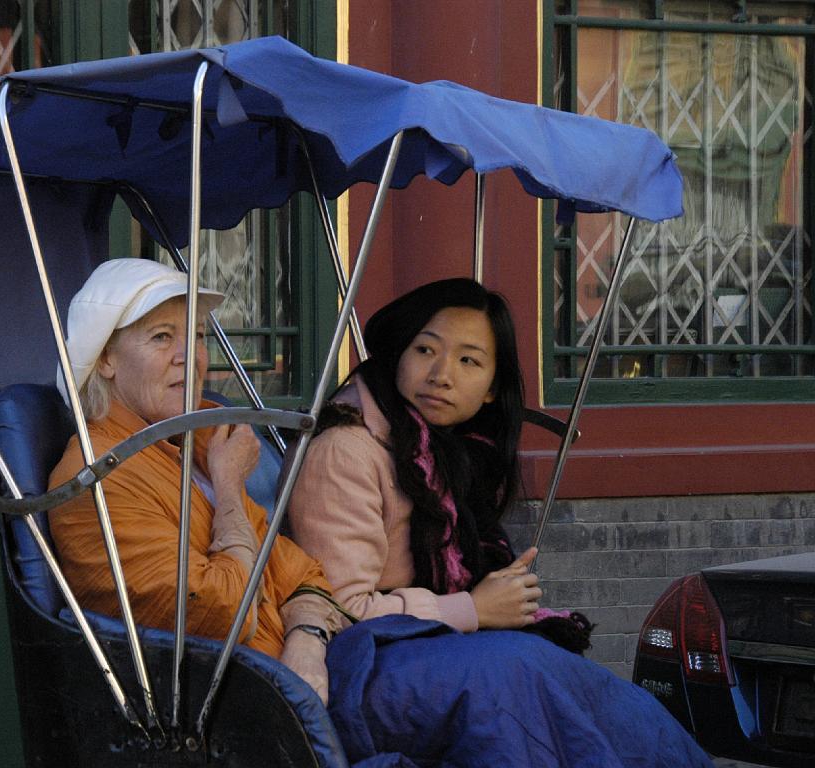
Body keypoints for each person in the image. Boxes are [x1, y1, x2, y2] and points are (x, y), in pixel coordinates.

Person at [288, 278, 713, 767]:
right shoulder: (346, 450)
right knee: (516, 677)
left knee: (594, 698)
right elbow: (337, 611)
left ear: (492, 389)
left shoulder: (454, 455)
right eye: (425, 349)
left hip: (432, 653)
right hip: (360, 669)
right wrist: (472, 608)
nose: (441, 374)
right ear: (398, 355)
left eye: (469, 360)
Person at [48, 258, 342, 703]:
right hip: (239, 703)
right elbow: (224, 612)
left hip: (306, 669)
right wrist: (228, 488)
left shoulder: (199, 442)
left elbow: (304, 574)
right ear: (106, 358)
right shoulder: (97, 479)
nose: (191, 355)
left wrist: (306, 642)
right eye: (163, 336)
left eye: (198, 336)